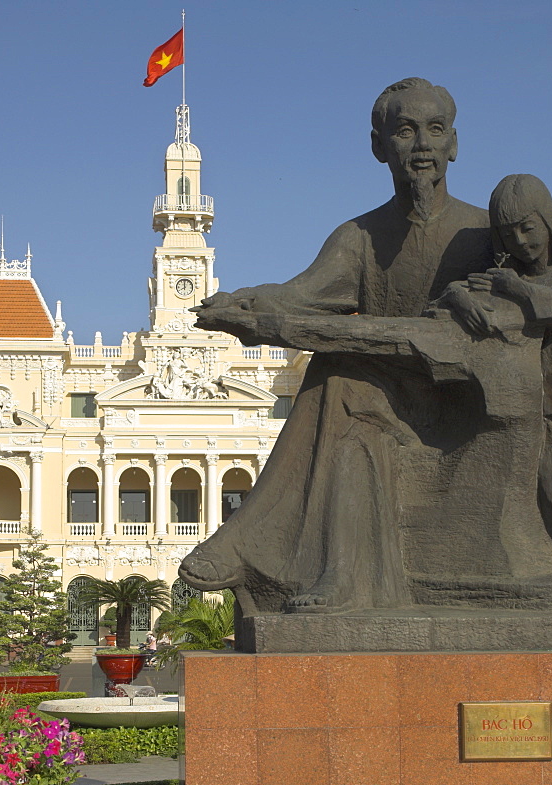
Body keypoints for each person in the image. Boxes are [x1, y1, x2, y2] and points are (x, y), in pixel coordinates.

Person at [179, 77, 497, 616]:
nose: (422, 145)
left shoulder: (483, 234)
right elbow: (301, 295)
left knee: (341, 374)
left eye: (435, 130)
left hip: (462, 405)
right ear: (379, 146)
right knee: (342, 384)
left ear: (454, 144)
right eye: (405, 131)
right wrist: (245, 303)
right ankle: (341, 580)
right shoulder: (359, 236)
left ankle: (250, 540)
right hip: (383, 406)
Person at [466, 174, 552, 566]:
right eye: (508, 232)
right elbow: (462, 295)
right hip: (543, 404)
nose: (520, 240)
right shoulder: (511, 280)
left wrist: (515, 289)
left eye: (527, 227)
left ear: (548, 222)